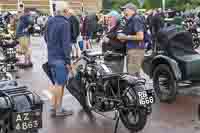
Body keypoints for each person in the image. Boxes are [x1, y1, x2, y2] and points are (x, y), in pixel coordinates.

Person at [44, 2, 73, 117]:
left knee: (56, 83)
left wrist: (52, 46)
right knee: (60, 84)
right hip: (60, 58)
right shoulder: (65, 23)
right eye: (67, 10)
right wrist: (68, 61)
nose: (68, 13)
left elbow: (45, 37)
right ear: (64, 11)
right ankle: (59, 109)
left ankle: (53, 107)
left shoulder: (50, 21)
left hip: (51, 56)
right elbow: (66, 44)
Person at [117, 3, 145, 77]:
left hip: (136, 50)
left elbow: (140, 36)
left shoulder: (136, 19)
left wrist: (125, 37)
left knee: (133, 75)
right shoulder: (131, 20)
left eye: (125, 9)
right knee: (133, 74)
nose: (123, 11)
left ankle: (138, 88)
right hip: (133, 49)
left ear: (132, 10)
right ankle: (138, 88)